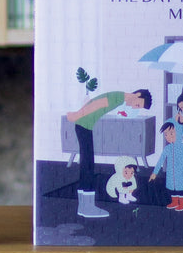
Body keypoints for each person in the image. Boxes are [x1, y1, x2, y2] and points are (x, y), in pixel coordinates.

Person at [65, 88, 152, 218]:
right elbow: (97, 104)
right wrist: (77, 114)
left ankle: (83, 206)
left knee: (86, 165)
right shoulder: (118, 97)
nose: (135, 107)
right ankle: (87, 206)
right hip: (84, 125)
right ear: (137, 95)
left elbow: (95, 104)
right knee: (88, 166)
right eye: (138, 104)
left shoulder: (120, 98)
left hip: (85, 126)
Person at [149, 119, 183, 210]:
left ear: (179, 132)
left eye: (171, 133)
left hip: (181, 174)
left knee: (181, 190)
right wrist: (154, 173)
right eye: (166, 134)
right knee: (172, 189)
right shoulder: (167, 148)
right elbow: (161, 160)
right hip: (171, 174)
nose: (168, 136)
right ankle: (174, 202)